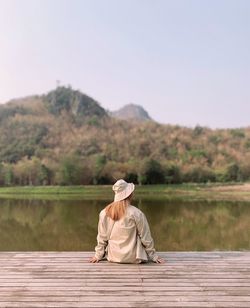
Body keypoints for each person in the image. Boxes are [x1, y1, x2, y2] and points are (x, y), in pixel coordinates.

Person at [89, 179, 165, 264]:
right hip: (133, 258)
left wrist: (98, 255)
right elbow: (145, 237)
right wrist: (153, 256)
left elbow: (102, 237)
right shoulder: (136, 213)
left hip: (113, 257)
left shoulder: (104, 213)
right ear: (130, 194)